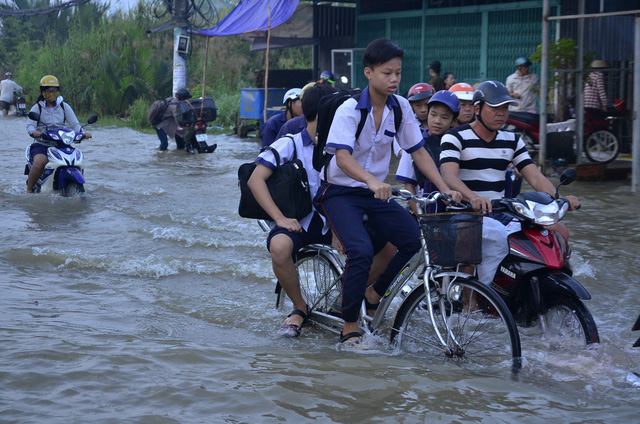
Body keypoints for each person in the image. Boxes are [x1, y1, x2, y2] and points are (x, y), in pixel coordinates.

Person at [313, 38, 461, 347]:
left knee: (412, 240)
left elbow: (418, 151)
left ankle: (375, 292)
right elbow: (342, 157)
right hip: (339, 192)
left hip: (375, 193)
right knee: (361, 250)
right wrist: (371, 180)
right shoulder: (349, 109)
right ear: (368, 72)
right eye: (386, 73)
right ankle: (350, 323)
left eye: (398, 73)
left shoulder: (401, 107)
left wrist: (445, 188)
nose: (394, 79)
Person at [440, 81, 579, 286]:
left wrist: (559, 200)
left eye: (505, 108)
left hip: (501, 210)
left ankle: (549, 286)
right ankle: (471, 298)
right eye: (495, 108)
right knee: (470, 236)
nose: (501, 114)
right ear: (477, 109)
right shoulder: (455, 137)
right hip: (465, 211)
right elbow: (449, 176)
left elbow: (534, 176)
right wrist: (474, 198)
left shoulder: (513, 139)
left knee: (560, 231)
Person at [247, 84, 337, 338]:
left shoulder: (342, 147)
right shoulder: (290, 144)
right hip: (301, 222)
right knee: (279, 248)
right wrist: (280, 218)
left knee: (387, 244)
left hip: (338, 221)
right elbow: (255, 180)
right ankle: (299, 307)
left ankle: (363, 302)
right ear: (321, 114)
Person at [396, 90, 460, 215]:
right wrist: (422, 217)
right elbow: (409, 186)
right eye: (433, 115)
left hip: (452, 208)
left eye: (444, 117)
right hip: (423, 206)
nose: (437, 121)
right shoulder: (414, 143)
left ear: (453, 121)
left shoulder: (458, 144)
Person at [26, 75, 92, 193]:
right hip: (42, 144)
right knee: (40, 162)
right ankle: (29, 189)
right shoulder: (37, 108)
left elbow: (75, 124)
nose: (52, 93)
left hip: (61, 144)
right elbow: (30, 125)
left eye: (54, 90)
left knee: (75, 160)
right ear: (43, 92)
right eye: (49, 91)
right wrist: (34, 132)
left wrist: (83, 133)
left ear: (58, 91)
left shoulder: (64, 106)